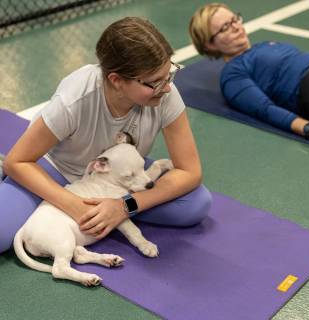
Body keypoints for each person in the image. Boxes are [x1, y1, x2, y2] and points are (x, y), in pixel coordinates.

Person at [0, 17, 212, 253]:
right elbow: (16, 161)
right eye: (154, 82)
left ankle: (108, 211)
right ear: (116, 80)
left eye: (170, 73)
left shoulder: (164, 93)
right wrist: (74, 205)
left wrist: (124, 206)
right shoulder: (76, 98)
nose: (167, 87)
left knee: (194, 205)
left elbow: (189, 171)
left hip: (117, 175)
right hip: (57, 169)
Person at [189, 3, 309, 143]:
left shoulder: (264, 44)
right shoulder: (232, 74)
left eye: (235, 19)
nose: (236, 27)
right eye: (225, 27)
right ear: (209, 44)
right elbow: (264, 109)